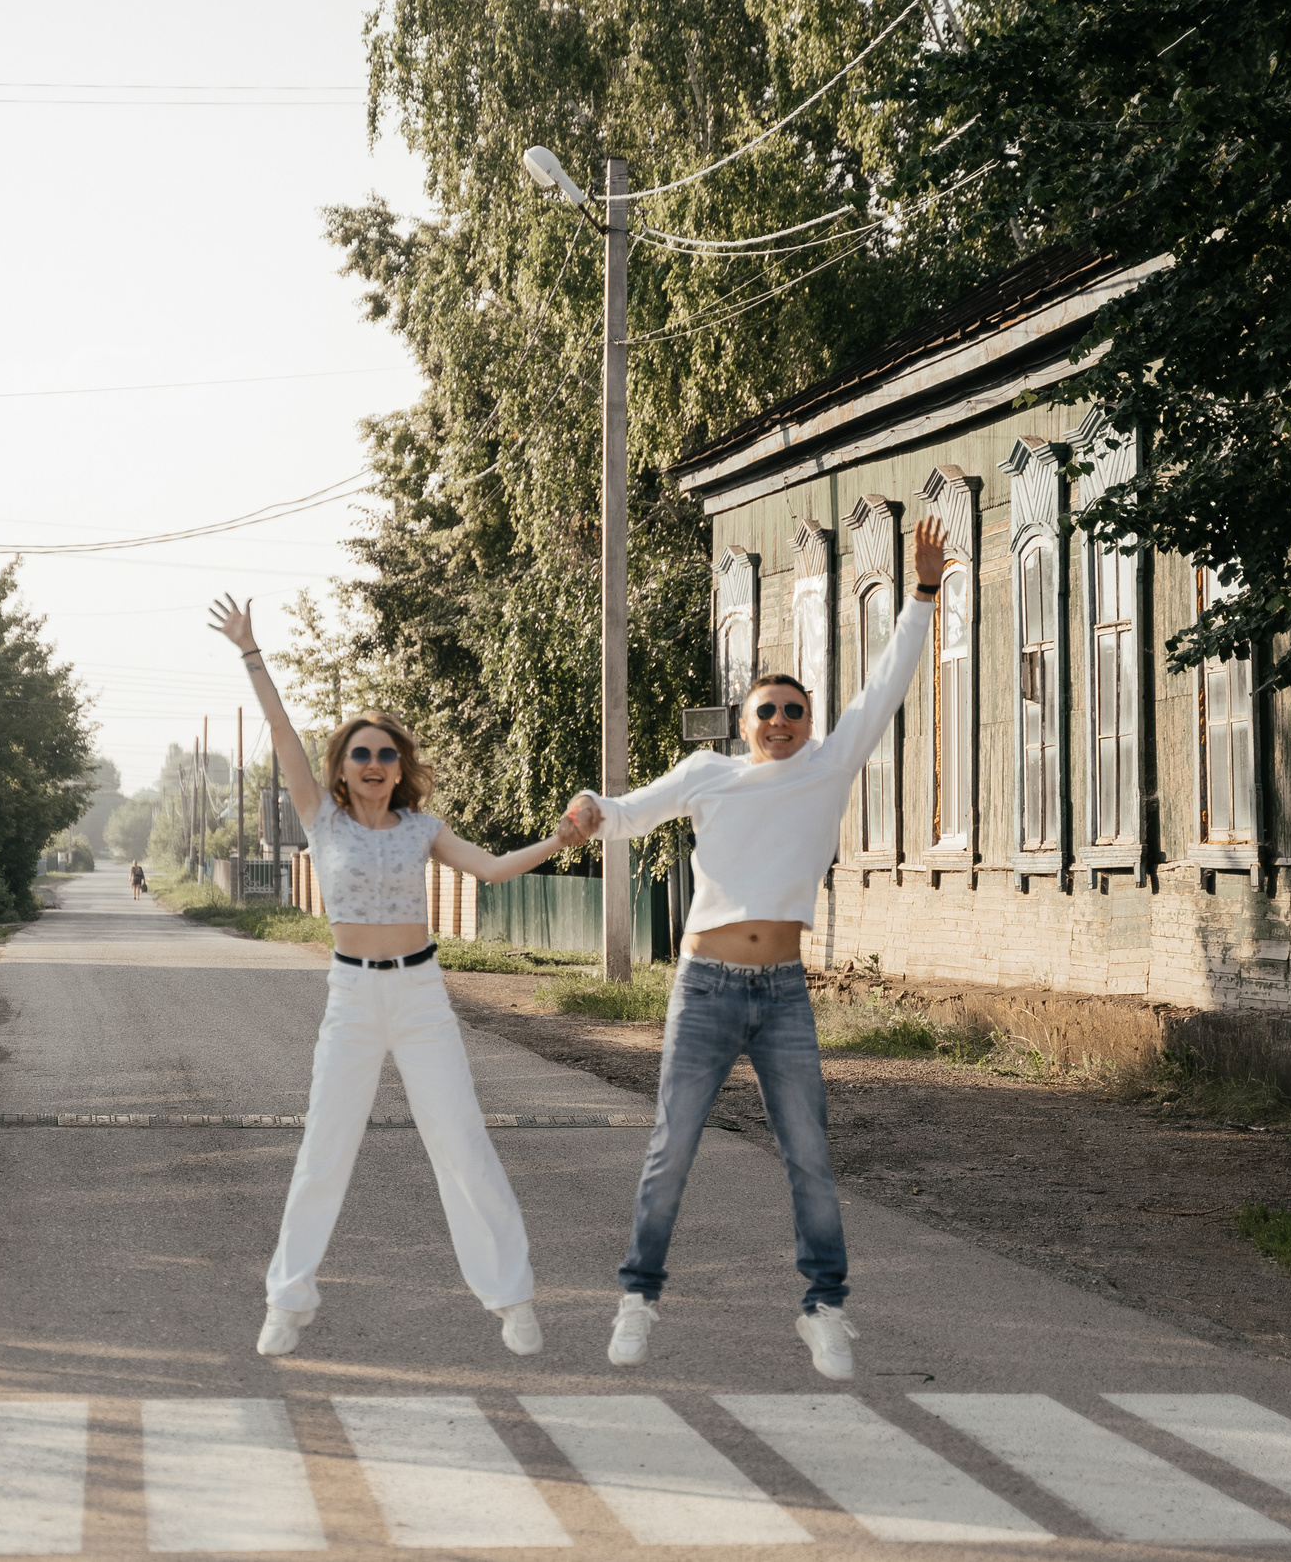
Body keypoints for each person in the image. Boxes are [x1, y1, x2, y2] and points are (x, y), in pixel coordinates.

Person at [566, 517, 948, 1380]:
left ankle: (825, 1308)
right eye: (766, 710)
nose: (780, 719)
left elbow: (886, 686)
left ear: (810, 723)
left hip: (781, 991)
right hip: (704, 986)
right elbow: (625, 813)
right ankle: (639, 1297)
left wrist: (922, 594)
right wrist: (590, 806)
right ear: (743, 723)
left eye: (794, 710)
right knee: (672, 1146)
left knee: (809, 1152)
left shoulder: (829, 763)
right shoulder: (709, 775)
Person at [211, 593, 593, 1358]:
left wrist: (558, 839)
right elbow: (283, 730)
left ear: (400, 769)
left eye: (388, 755)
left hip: (420, 996)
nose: (377, 765)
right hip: (352, 996)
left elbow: (488, 869)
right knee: (326, 1146)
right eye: (362, 754)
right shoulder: (322, 819)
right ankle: (288, 1301)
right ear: (342, 770)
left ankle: (512, 1297)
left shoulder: (423, 829)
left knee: (461, 1140)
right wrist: (252, 652)